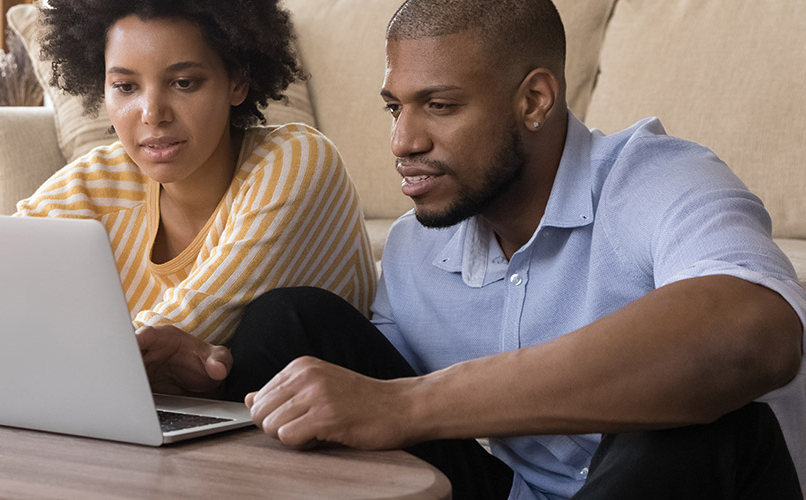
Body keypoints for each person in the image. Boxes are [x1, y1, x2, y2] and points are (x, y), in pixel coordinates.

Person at [223, 0, 806, 498]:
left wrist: (409, 405)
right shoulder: (414, 248)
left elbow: (754, 333)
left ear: (534, 101)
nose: (404, 140)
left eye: (440, 105)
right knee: (286, 323)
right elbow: (364, 392)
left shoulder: (660, 180)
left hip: (701, 481)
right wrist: (208, 374)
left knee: (700, 417)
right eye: (395, 107)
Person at [0, 0, 376, 402]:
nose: (152, 114)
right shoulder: (102, 178)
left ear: (238, 80)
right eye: (125, 87)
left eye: (185, 82)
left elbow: (173, 330)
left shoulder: (297, 162)